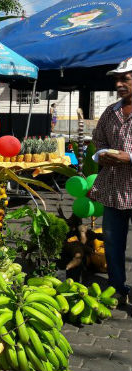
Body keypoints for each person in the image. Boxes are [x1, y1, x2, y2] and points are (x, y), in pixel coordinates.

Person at [90, 57, 132, 306]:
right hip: (114, 190)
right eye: (117, 79)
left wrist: (130, 157)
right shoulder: (111, 112)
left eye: (124, 79)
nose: (119, 84)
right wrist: (101, 156)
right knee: (113, 243)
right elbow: (98, 140)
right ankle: (117, 287)